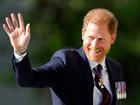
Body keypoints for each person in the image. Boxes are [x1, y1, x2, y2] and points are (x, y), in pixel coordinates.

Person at [3, 8, 126, 105]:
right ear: (83, 34)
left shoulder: (116, 69)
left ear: (113, 38)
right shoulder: (66, 61)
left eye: (101, 39)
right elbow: (28, 80)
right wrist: (20, 51)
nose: (94, 45)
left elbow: (120, 99)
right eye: (91, 37)